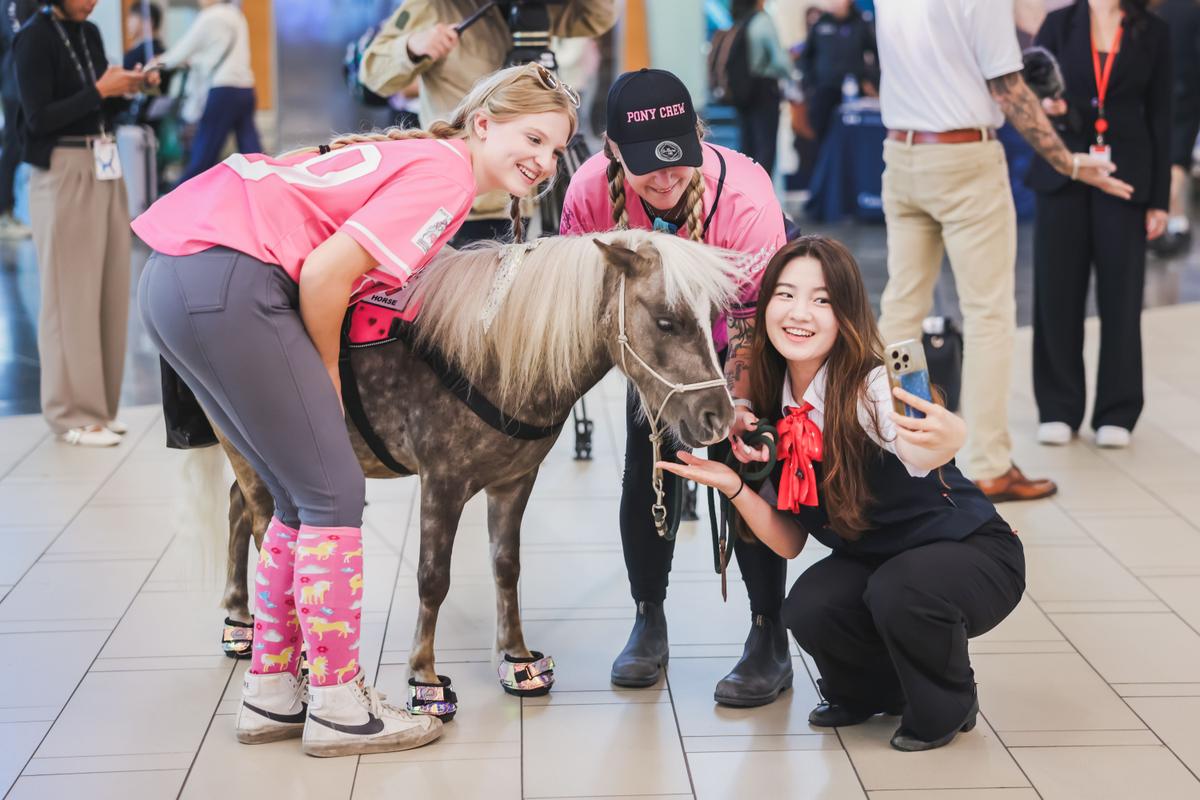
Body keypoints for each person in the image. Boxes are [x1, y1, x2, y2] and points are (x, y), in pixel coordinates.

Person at [131, 63, 577, 757]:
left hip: (175, 277)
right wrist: (325, 371)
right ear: (483, 124)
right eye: (534, 139)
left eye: (557, 149)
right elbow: (325, 273)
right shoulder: (448, 177)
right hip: (228, 281)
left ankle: (272, 692)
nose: (546, 162)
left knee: (293, 497)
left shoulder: (424, 155)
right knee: (334, 492)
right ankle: (340, 705)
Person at [657, 236, 1025, 753]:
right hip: (883, 559)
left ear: (846, 313)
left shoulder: (870, 388)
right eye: (785, 295)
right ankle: (875, 693)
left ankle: (948, 702)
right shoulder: (772, 404)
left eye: (822, 300)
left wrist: (949, 435)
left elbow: (920, 451)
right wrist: (734, 486)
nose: (799, 313)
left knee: (900, 589)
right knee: (811, 605)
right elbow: (789, 542)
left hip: (973, 552)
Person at [561, 68, 792, 707]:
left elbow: (750, 324)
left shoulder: (742, 197)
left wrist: (736, 406)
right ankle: (648, 617)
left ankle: (769, 634)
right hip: (659, 347)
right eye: (648, 167)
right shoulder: (589, 195)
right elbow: (583, 300)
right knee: (649, 467)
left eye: (677, 159)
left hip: (745, 331)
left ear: (697, 134)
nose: (666, 180)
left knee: (748, 463)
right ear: (613, 151)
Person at [872, 0, 1130, 502]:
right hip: (963, 158)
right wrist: (1069, 162)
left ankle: (892, 447)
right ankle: (989, 463)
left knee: (901, 309)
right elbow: (1008, 88)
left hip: (901, 153)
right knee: (987, 314)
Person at [1027, 0, 1170, 449]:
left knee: (1122, 296)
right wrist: (1049, 106)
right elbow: (1026, 95)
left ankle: (1117, 410)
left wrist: (1160, 199)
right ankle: (1058, 407)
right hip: (1063, 173)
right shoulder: (1058, 24)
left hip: (1124, 179)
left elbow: (1162, 115)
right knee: (1056, 294)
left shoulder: (1153, 31)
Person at [15, 0, 157, 446]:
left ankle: (100, 408)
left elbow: (100, 109)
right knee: (69, 295)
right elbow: (38, 118)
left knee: (110, 290)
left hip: (104, 164)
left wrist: (129, 89)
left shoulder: (89, 33)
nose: (91, 2)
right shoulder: (33, 38)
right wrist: (99, 90)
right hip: (63, 169)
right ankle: (71, 415)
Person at [359, 0, 616, 245]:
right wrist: (412, 47)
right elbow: (372, 75)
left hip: (518, 198)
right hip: (458, 198)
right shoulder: (435, 7)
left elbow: (596, 18)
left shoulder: (533, 7)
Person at [148, 0, 260, 182]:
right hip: (246, 90)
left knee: (202, 157)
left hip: (224, 91)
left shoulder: (210, 16)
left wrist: (154, 63)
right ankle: (266, 191)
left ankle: (182, 196)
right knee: (253, 155)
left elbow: (180, 52)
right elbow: (214, 51)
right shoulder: (237, 15)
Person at [1149, 0, 1200, 256]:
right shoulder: (1192, 12)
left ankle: (1167, 217)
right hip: (1184, 93)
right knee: (1177, 161)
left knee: (1166, 157)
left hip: (1157, 93)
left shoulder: (1152, 12)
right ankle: (1170, 217)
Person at [798, 0, 878, 153]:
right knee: (821, 140)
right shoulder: (820, 24)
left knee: (853, 141)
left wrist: (871, 81)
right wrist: (810, 86)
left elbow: (876, 53)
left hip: (854, 93)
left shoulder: (861, 22)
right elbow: (806, 58)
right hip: (824, 92)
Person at [730, 0, 793, 177]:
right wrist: (792, 72)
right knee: (765, 147)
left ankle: (745, 190)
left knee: (747, 147)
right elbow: (779, 60)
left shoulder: (739, 21)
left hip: (743, 90)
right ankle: (762, 190)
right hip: (764, 89)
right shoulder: (762, 21)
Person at [0, 0, 36, 239]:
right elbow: (21, 36)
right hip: (16, 85)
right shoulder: (11, 3)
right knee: (13, 146)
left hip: (24, 83)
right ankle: (4, 212)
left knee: (18, 147)